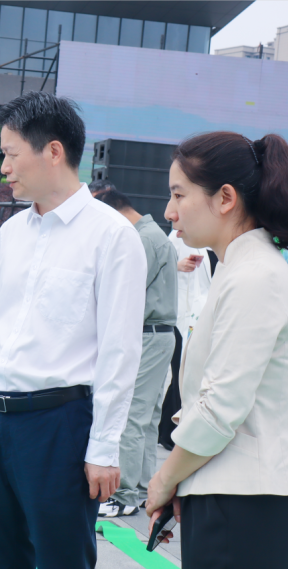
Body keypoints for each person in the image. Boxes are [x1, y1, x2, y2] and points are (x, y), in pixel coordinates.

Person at [0, 91, 146, 569]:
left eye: (11, 154)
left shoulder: (112, 236)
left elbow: (120, 351)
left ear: (54, 151)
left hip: (58, 425)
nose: (4, 167)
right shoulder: (12, 232)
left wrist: (104, 447)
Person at [146, 132, 288, 569]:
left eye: (179, 195)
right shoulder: (238, 268)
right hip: (232, 496)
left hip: (245, 502)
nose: (169, 211)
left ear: (225, 198)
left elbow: (220, 408)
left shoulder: (253, 275)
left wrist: (164, 479)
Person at [88, 183, 178, 519]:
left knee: (130, 415)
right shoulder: (152, 235)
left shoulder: (140, 239)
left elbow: (123, 293)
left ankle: (123, 493)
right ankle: (138, 489)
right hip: (158, 334)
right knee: (147, 416)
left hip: (148, 334)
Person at [157, 229, 212, 450]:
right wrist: (178, 266)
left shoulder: (204, 242)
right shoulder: (175, 237)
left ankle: (166, 430)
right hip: (182, 315)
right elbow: (159, 268)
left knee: (183, 374)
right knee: (182, 373)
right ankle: (169, 433)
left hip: (195, 315)